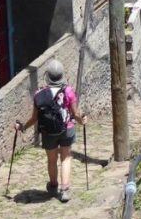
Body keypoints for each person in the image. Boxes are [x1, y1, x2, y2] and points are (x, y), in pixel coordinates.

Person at [15, 60, 87, 202]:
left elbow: (34, 118)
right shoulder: (68, 91)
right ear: (62, 75)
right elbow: (75, 113)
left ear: (47, 75)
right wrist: (82, 120)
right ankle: (65, 190)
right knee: (66, 157)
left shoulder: (39, 94)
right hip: (66, 129)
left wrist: (23, 127)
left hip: (48, 132)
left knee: (52, 160)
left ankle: (53, 186)